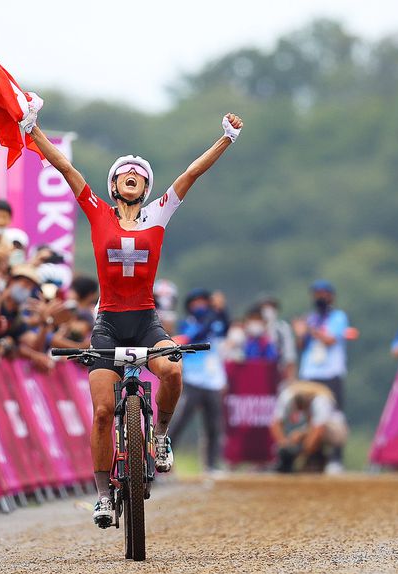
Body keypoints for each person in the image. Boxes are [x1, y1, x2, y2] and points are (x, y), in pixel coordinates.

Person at [27, 93, 243, 527]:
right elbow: (65, 168)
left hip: (145, 322)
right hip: (108, 325)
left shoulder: (160, 213)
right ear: (114, 186)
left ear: (146, 189)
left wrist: (226, 138)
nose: (132, 176)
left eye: (140, 175)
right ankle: (103, 496)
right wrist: (32, 130)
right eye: (124, 173)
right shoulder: (97, 212)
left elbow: (191, 173)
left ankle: (159, 437)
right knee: (102, 413)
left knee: (173, 371)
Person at [169, 289, 230, 474]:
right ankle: (165, 461)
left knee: (213, 426)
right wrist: (213, 312)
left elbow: (225, 328)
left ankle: (211, 465)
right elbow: (197, 335)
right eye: (196, 302)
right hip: (192, 380)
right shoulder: (187, 324)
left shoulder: (214, 323)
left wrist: (222, 310)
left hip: (212, 382)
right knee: (179, 422)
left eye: (204, 302)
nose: (200, 305)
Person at [270, 381, 349, 474]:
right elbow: (275, 424)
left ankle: (316, 459)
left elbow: (318, 430)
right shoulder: (287, 396)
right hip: (312, 427)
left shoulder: (320, 400)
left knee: (315, 434)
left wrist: (300, 452)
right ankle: (308, 459)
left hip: (335, 430)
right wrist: (285, 445)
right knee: (298, 435)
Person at [293, 280, 349, 409]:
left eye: (323, 294)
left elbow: (330, 341)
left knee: (332, 411)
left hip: (330, 374)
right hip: (309, 373)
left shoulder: (338, 317)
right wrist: (300, 334)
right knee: (308, 411)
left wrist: (310, 329)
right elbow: (300, 346)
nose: (319, 297)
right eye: (317, 294)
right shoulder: (309, 318)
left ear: (331, 296)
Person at [258, 296, 297, 380]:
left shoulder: (282, 328)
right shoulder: (256, 330)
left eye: (270, 307)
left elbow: (289, 354)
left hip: (279, 370)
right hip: (259, 370)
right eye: (264, 308)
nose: (267, 311)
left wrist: (290, 376)